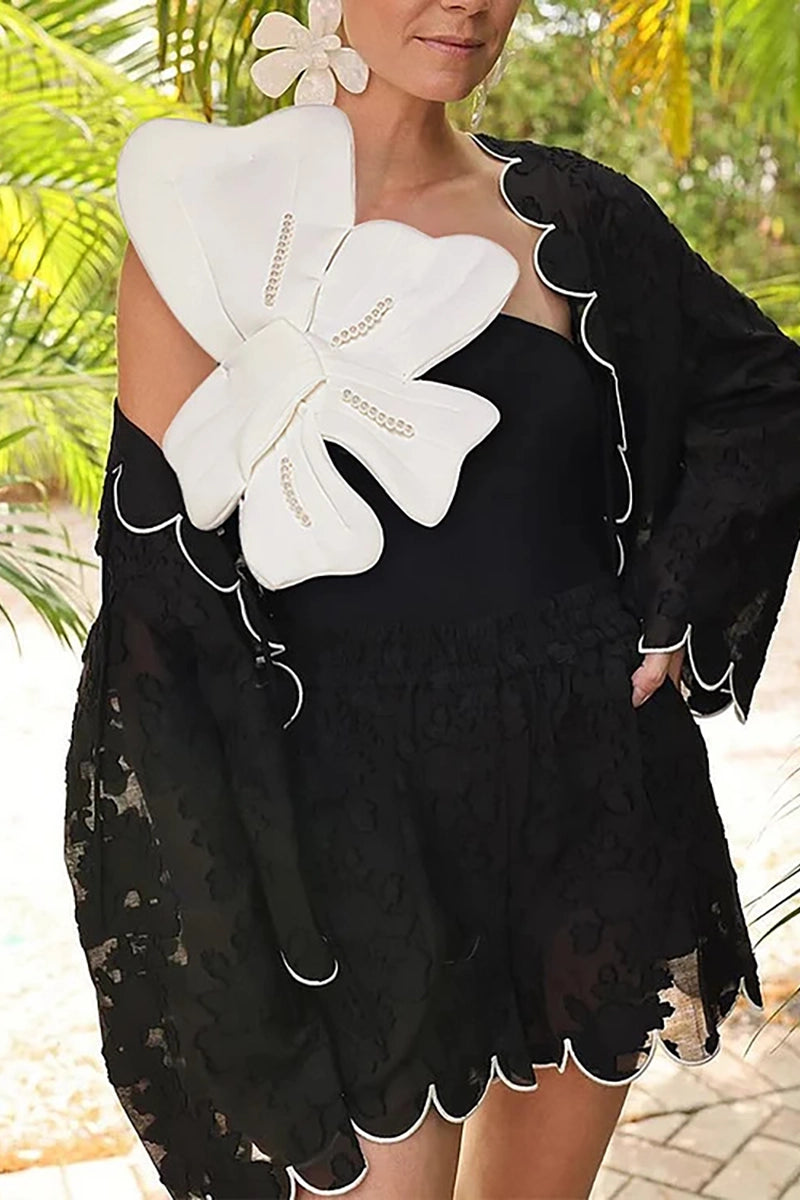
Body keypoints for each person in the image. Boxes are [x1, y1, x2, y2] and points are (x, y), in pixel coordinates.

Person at [63, 2, 800, 1198]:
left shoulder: (574, 215)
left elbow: (763, 392)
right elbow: (161, 604)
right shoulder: (208, 224)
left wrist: (670, 600)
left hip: (584, 794)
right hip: (350, 832)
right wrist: (230, 896)